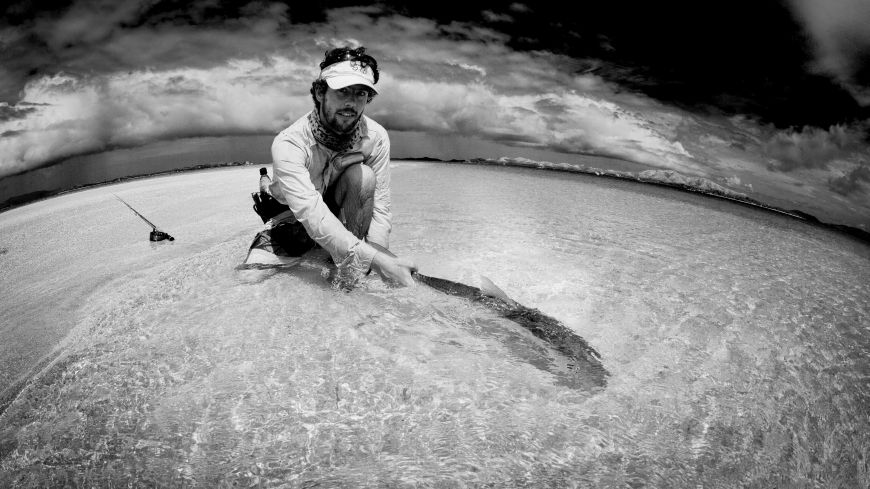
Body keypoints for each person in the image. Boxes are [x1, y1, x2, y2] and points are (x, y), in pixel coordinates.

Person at [255, 46, 417, 287]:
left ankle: (348, 274)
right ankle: (345, 257)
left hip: (339, 217)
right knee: (249, 277)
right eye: (342, 91)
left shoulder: (376, 137)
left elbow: (381, 208)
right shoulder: (289, 142)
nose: (351, 102)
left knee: (363, 177)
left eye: (361, 93)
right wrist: (378, 261)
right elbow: (311, 213)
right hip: (292, 220)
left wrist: (380, 260)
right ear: (320, 92)